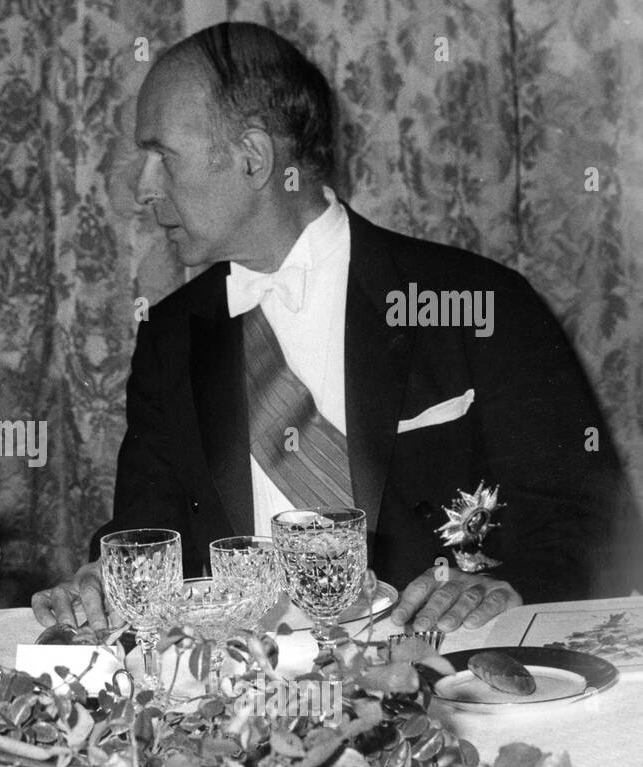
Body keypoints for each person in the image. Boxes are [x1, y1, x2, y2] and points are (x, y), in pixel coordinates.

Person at [34, 23, 640, 635]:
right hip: (241, 701)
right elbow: (149, 522)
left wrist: (508, 592)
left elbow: (589, 522)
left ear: (254, 157)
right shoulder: (170, 335)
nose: (142, 189)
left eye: (162, 156)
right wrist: (103, 580)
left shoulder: (478, 303)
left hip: (437, 682)